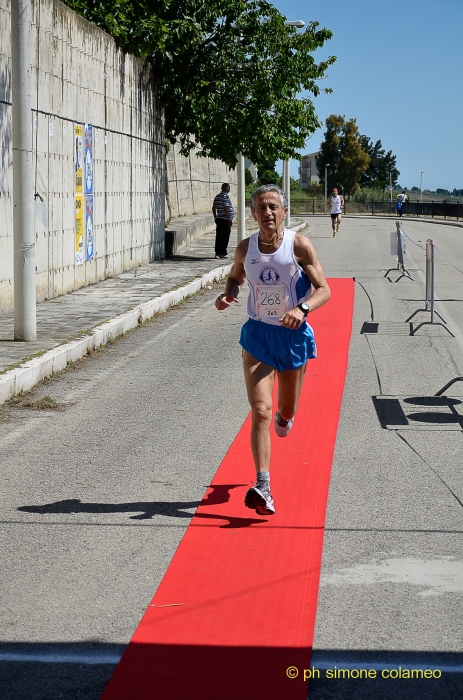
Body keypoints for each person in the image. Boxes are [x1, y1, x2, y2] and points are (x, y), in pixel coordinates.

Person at [215, 184, 331, 516]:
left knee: (284, 412)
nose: (268, 212)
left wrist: (303, 310)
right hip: (258, 337)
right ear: (253, 214)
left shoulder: (299, 246)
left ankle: (287, 415)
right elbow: (236, 278)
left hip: (293, 337)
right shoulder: (244, 248)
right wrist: (229, 294)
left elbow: (324, 289)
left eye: (273, 207)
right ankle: (263, 485)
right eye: (261, 208)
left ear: (283, 212)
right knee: (261, 410)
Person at [212, 183, 235, 259]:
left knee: (219, 236)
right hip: (225, 220)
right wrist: (229, 219)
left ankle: (217, 253)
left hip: (219, 219)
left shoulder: (217, 196)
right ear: (228, 189)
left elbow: (214, 207)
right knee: (225, 237)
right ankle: (223, 252)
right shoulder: (225, 197)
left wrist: (215, 217)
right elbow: (226, 208)